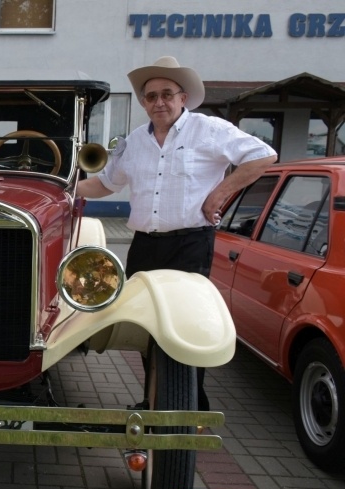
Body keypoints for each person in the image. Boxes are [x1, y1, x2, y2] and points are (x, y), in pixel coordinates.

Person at [76, 56, 277, 412]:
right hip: (144, 247)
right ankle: (156, 400)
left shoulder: (209, 129)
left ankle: (189, 409)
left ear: (183, 97)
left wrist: (220, 193)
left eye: (167, 94)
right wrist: (63, 189)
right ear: (143, 102)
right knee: (146, 329)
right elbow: (106, 184)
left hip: (190, 244)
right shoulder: (135, 141)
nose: (159, 102)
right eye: (151, 96)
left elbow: (263, 156)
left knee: (187, 329)